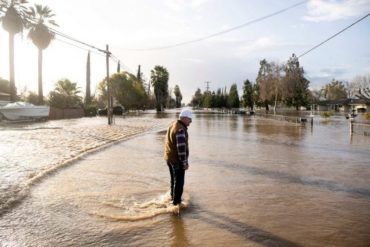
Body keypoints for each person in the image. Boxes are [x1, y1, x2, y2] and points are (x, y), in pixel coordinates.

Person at [164, 109, 193, 207]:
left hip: (169, 157)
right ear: (184, 118)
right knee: (179, 183)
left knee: (174, 181)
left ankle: (173, 198)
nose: (191, 122)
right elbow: (181, 148)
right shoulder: (180, 129)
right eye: (190, 119)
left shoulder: (173, 124)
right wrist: (184, 163)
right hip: (176, 160)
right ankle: (176, 205)